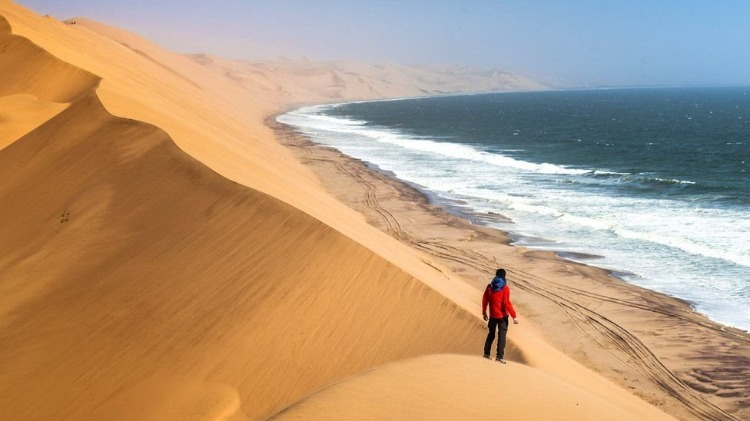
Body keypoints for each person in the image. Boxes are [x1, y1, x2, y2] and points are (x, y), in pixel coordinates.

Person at [482, 268, 518, 363]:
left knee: (491, 334)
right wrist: (514, 316)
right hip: (502, 317)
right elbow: (506, 303)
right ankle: (499, 357)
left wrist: (484, 312)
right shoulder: (505, 288)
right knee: (502, 336)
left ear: (496, 275)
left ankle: (486, 354)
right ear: (504, 276)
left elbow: (485, 300)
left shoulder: (489, 287)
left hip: (492, 316)